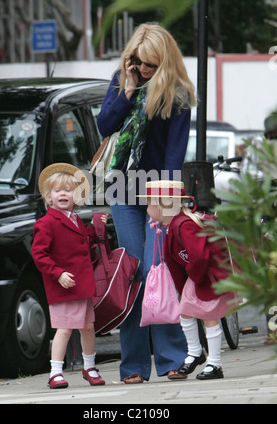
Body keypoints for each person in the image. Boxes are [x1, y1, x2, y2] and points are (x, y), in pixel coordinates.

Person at [97, 23, 196, 383]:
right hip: (122, 188)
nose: (142, 69)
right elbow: (103, 125)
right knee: (134, 273)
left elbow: (174, 154)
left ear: (164, 60)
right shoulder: (123, 79)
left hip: (158, 191)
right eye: (137, 61)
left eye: (149, 64)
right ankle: (134, 365)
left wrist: (166, 199)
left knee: (160, 271)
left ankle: (171, 359)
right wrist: (126, 91)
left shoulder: (179, 93)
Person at [142, 179, 237, 380]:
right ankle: (194, 352)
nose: (147, 209)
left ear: (162, 206)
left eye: (150, 205)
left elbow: (200, 256)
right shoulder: (174, 223)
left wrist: (194, 277)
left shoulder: (183, 225)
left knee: (208, 317)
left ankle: (214, 364)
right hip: (198, 277)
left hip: (205, 277)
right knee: (185, 312)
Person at [32, 163, 106, 389]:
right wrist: (58, 273)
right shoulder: (45, 223)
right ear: (48, 196)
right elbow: (39, 254)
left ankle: (89, 366)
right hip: (63, 286)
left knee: (87, 327)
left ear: (77, 195)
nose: (63, 194)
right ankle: (55, 371)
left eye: (68, 190)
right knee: (64, 329)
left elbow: (83, 244)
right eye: (57, 190)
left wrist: (94, 228)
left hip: (80, 285)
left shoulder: (75, 220)